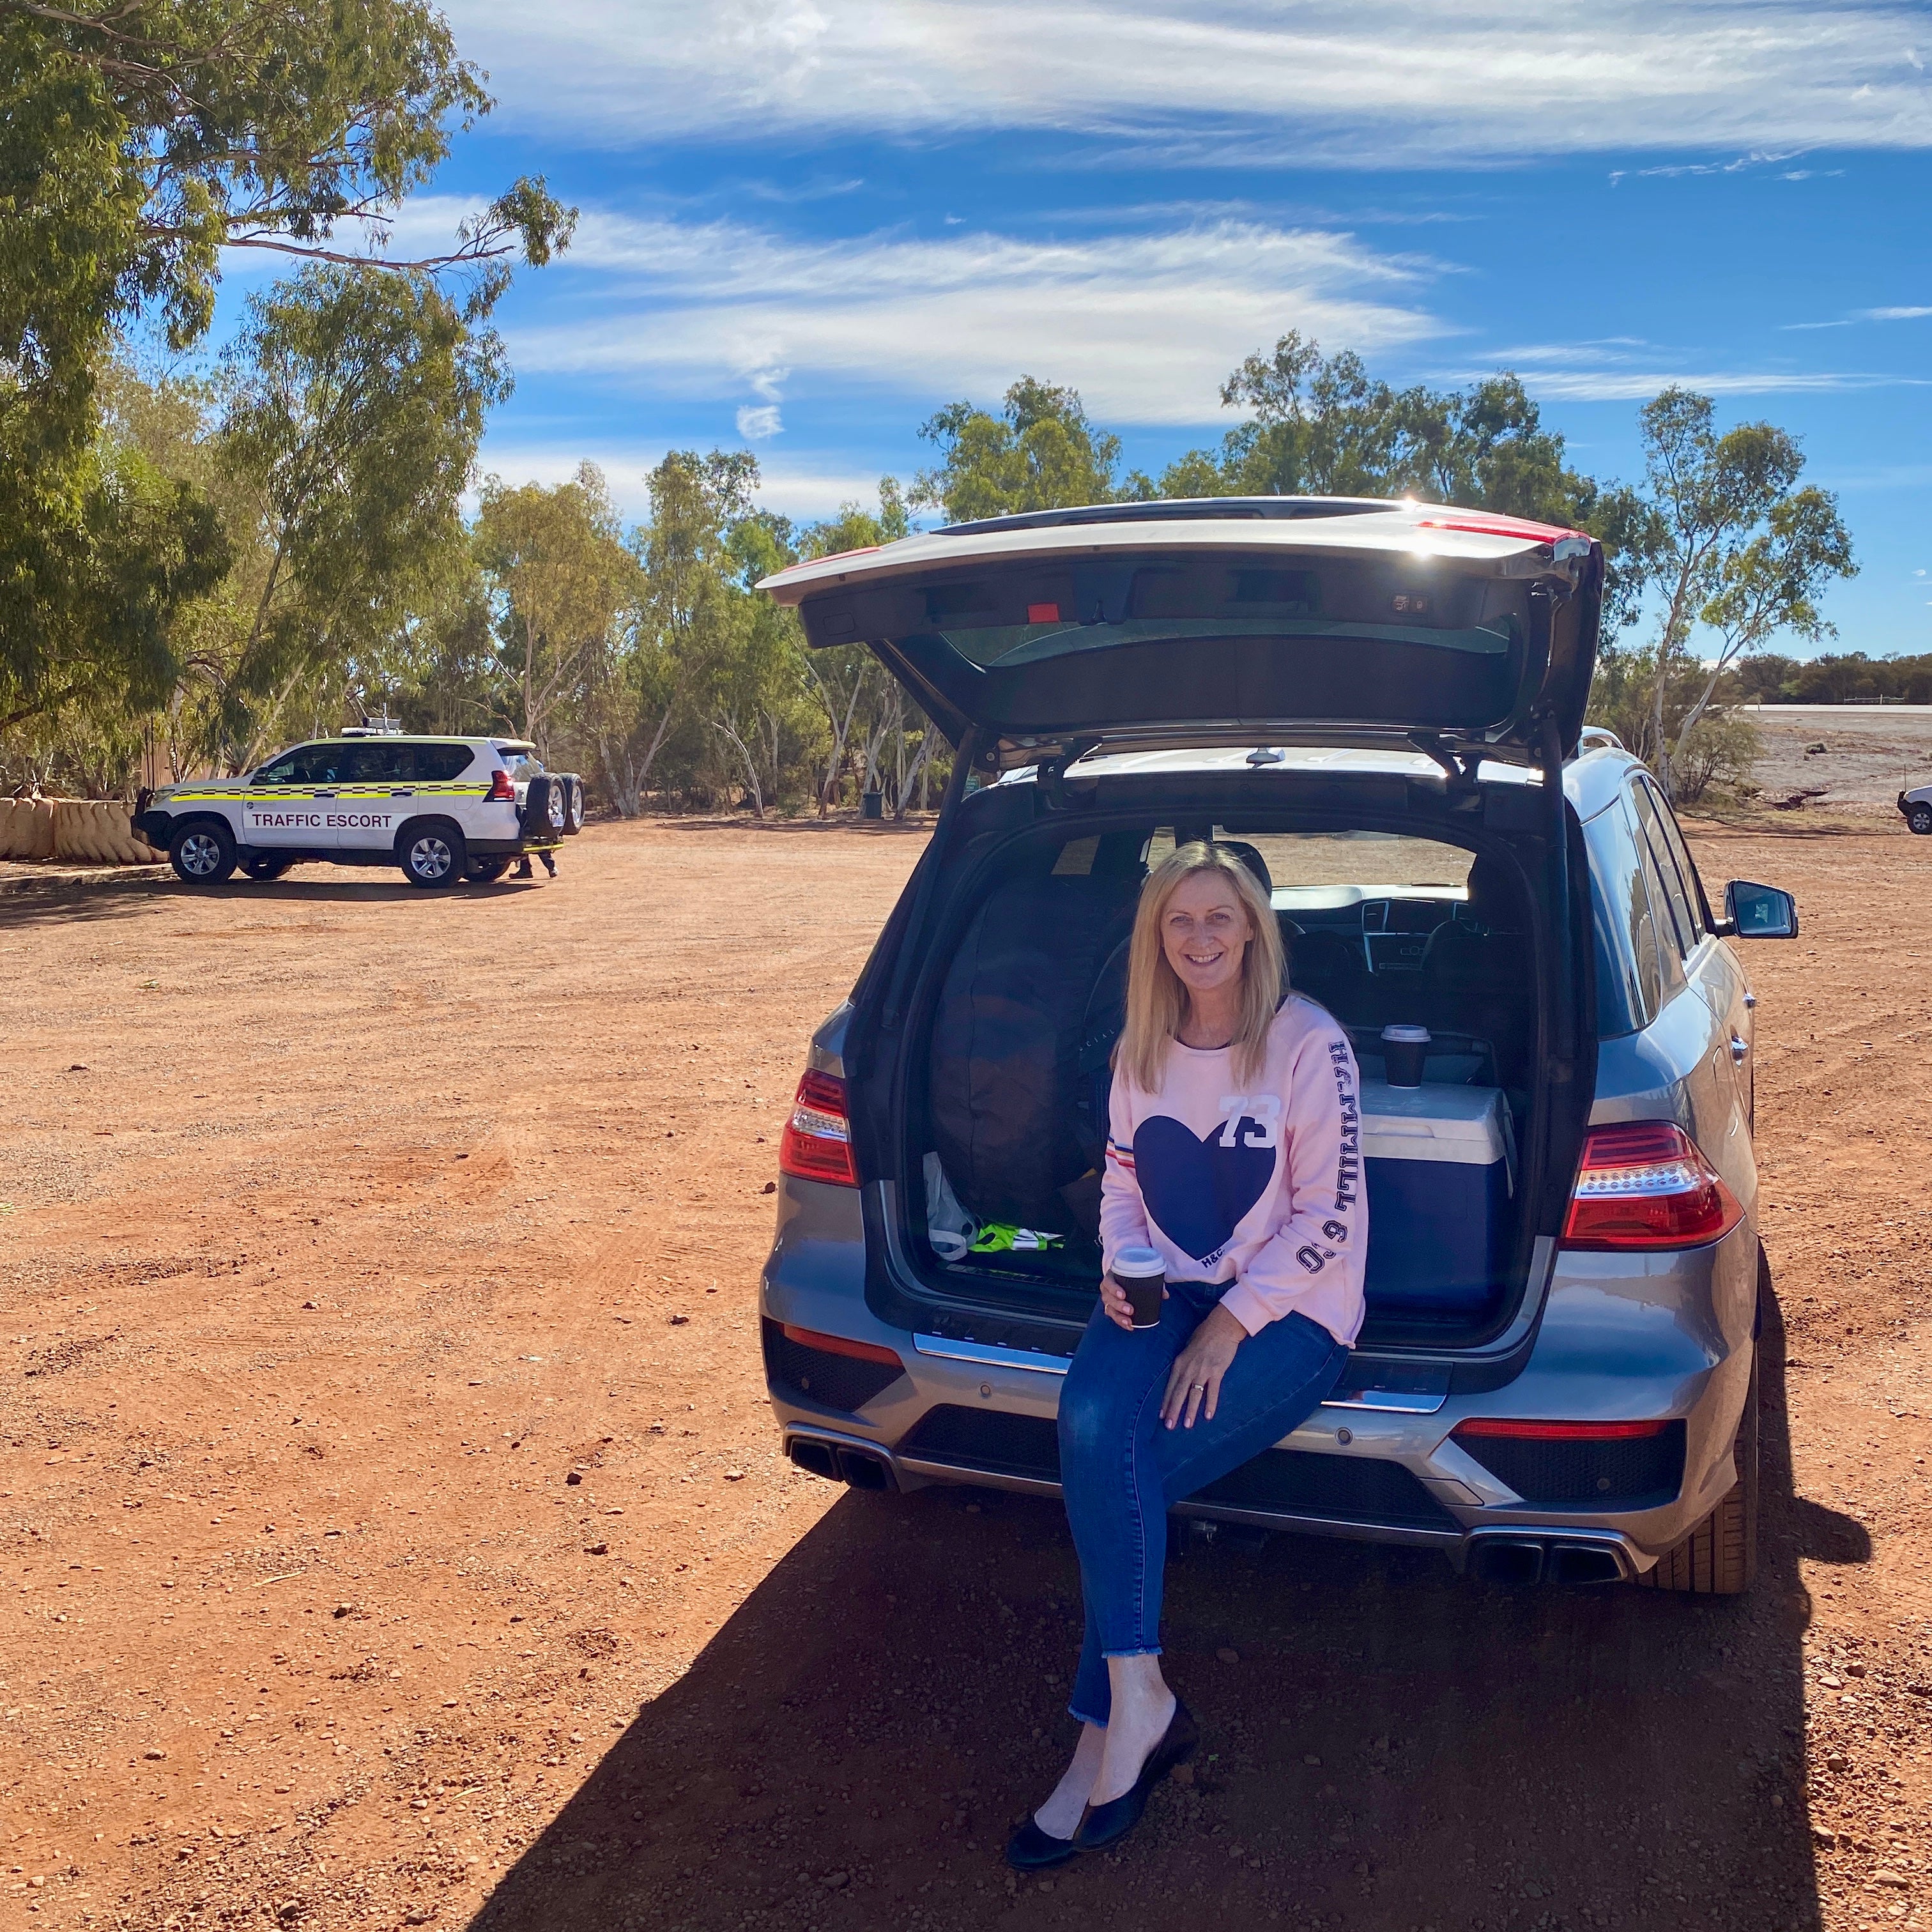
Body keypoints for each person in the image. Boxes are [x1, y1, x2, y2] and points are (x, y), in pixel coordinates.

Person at [1008, 842, 1368, 1869]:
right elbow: (1123, 1179)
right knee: (1090, 1431)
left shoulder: (1307, 1044)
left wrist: (1231, 1322)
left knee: (1126, 1477)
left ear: (1254, 927)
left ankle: (1106, 1733)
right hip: (1164, 1289)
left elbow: (1330, 1214)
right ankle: (1137, 1699)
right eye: (1180, 921)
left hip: (1294, 1314)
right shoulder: (1143, 1046)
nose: (1201, 938)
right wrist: (1119, 1267)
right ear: (1155, 939)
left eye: (1221, 917)